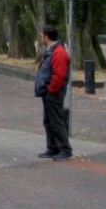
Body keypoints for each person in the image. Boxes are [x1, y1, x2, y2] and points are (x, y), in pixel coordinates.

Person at [35, 25, 72, 161]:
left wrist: (51, 90)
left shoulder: (58, 52)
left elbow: (59, 75)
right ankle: (52, 147)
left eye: (41, 35)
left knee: (56, 121)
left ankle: (64, 149)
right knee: (49, 121)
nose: (40, 38)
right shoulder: (54, 51)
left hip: (53, 93)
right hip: (49, 92)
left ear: (46, 36)